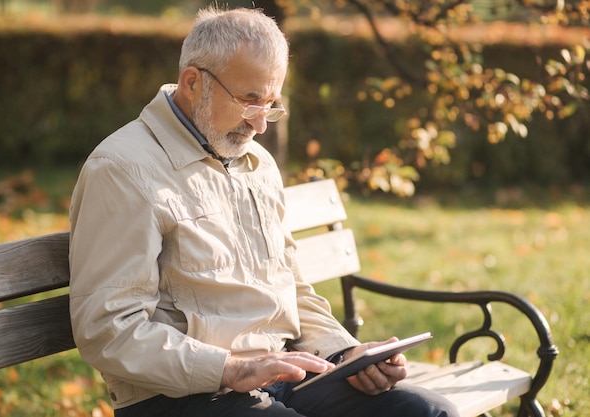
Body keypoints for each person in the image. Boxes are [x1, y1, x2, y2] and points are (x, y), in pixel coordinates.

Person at [68, 6, 459, 417]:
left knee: (431, 412)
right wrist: (230, 368)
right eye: (250, 101)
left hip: (282, 374)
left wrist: (346, 353)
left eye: (271, 104)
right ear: (193, 82)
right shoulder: (122, 169)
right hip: (184, 395)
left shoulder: (256, 163)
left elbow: (290, 285)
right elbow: (107, 330)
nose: (261, 126)